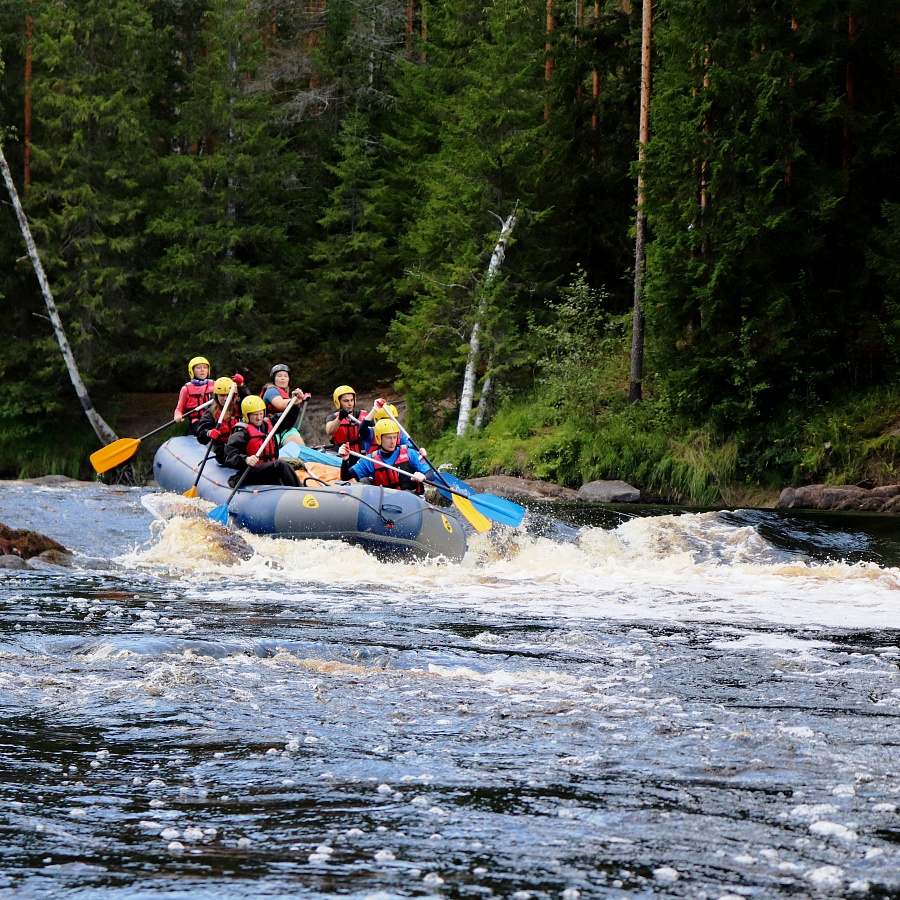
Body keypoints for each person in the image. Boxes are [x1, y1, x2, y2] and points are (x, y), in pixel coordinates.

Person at [223, 396, 301, 488]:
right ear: (247, 415)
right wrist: (246, 459)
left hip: (268, 469)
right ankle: (301, 490)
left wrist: (295, 403)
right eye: (255, 415)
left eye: (261, 414)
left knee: (286, 466)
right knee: (280, 465)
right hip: (251, 471)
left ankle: (298, 490)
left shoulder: (269, 424)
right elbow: (229, 456)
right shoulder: (241, 433)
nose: (259, 418)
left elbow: (287, 419)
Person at [338, 419, 431, 494]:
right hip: (385, 503)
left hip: (411, 498)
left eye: (395, 437)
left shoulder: (409, 453)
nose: (392, 441)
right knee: (364, 481)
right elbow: (346, 476)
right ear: (379, 438)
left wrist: (423, 476)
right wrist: (345, 460)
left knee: (407, 492)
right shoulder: (371, 460)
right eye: (388, 438)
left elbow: (430, 475)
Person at [195, 375, 249, 465]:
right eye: (221, 395)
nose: (225, 398)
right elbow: (201, 435)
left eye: (228, 395)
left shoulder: (240, 406)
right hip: (224, 450)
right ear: (216, 396)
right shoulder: (211, 413)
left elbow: (248, 400)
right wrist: (209, 433)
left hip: (241, 446)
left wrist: (241, 386)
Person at [259, 364, 310, 447]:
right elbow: (280, 404)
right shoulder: (271, 391)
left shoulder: (287, 394)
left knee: (299, 447)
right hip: (271, 429)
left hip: (285, 428)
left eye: (285, 376)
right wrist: (295, 400)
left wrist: (295, 400)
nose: (283, 378)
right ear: (274, 378)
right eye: (279, 376)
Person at [174, 356, 215, 435]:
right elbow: (179, 408)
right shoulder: (186, 389)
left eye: (205, 367)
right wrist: (178, 416)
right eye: (198, 368)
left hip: (214, 419)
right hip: (197, 421)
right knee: (202, 431)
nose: (202, 370)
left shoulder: (215, 385)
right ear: (192, 371)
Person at [325, 385, 371, 455]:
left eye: (351, 400)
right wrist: (340, 418)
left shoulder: (364, 415)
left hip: (361, 453)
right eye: (346, 401)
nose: (350, 404)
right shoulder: (333, 417)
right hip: (341, 454)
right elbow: (330, 431)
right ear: (338, 402)